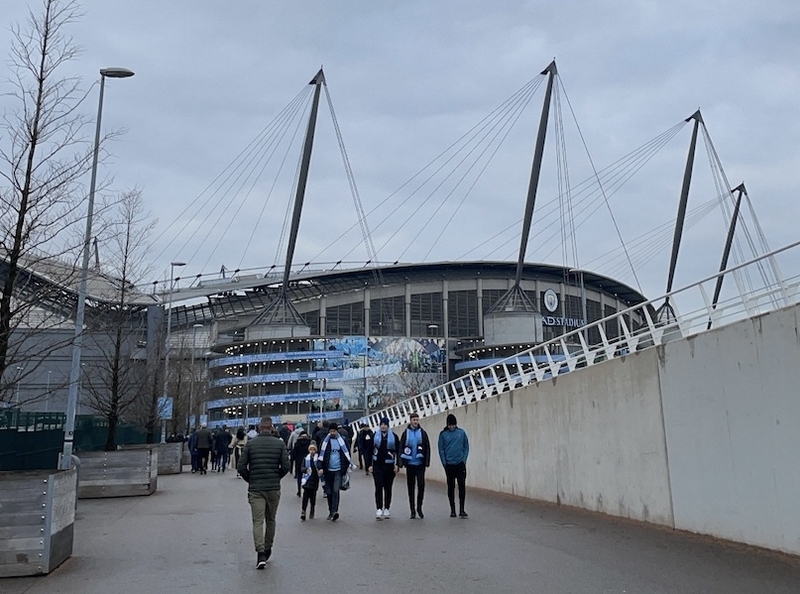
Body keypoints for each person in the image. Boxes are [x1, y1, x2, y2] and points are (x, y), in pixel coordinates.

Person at [238, 416, 290, 569]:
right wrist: (276, 477)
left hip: (256, 489)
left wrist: (251, 479)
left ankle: (260, 553)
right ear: (272, 428)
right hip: (273, 488)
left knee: (257, 521)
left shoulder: (251, 445)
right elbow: (286, 466)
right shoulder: (279, 445)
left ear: (259, 428)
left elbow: (241, 467)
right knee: (271, 519)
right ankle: (268, 548)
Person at [318, 422, 353, 521]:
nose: (332, 433)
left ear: (337, 431)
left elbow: (347, 454)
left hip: (338, 470)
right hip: (327, 470)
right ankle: (330, 510)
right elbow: (321, 455)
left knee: (335, 490)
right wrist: (320, 467)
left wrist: (345, 468)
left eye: (334, 431)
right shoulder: (325, 442)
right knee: (329, 492)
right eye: (331, 431)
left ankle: (335, 511)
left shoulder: (343, 441)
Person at [399, 412, 431, 519]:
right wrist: (401, 462)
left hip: (420, 464)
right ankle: (412, 510)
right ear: (410, 421)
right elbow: (401, 447)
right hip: (410, 464)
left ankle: (419, 508)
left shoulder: (423, 433)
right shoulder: (406, 433)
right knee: (411, 487)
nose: (416, 422)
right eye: (414, 420)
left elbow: (427, 447)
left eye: (417, 420)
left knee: (421, 486)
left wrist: (426, 462)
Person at [438, 413, 469, 518]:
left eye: (453, 425)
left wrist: (464, 460)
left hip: (460, 464)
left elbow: (466, 446)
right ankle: (452, 509)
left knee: (462, 486)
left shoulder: (461, 433)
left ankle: (462, 509)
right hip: (449, 465)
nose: (452, 427)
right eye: (450, 425)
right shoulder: (443, 435)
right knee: (451, 487)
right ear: (447, 425)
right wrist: (444, 463)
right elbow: (441, 449)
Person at [372, 417, 400, 520]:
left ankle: (387, 508)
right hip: (378, 465)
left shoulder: (394, 437)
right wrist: (369, 465)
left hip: (389, 465)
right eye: (382, 424)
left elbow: (398, 451)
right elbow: (371, 450)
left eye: (385, 424)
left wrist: (397, 464)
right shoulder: (375, 436)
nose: (383, 426)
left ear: (388, 425)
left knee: (388, 487)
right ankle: (379, 508)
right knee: (378, 486)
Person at [300, 441, 321, 521]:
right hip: (307, 480)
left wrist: (320, 470)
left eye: (313, 450)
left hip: (314, 480)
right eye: (311, 450)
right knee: (305, 497)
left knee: (313, 497)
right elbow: (302, 468)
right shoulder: (306, 458)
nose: (312, 451)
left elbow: (319, 467)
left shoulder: (318, 459)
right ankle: (303, 511)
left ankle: (312, 509)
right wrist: (306, 470)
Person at [291, 431, 312, 497]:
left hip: (299, 461)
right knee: (308, 475)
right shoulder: (309, 443)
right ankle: (307, 489)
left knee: (299, 476)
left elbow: (294, 454)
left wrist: (294, 460)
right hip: (308, 461)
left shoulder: (297, 444)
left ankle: (299, 491)